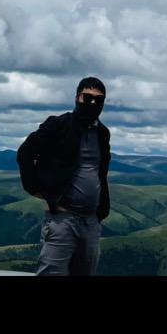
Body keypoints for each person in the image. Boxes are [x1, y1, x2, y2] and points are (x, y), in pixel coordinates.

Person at [16, 76, 111, 275]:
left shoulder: (102, 133)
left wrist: (101, 210)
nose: (92, 103)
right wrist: (39, 192)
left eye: (98, 100)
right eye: (87, 98)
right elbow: (25, 153)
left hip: (91, 221)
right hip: (62, 219)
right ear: (77, 98)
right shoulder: (59, 124)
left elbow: (101, 171)